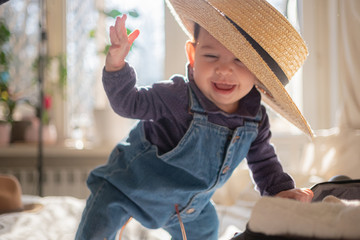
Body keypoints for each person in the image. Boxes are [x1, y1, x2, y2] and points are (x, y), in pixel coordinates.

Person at [76, 0, 314, 239]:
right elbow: (129, 103)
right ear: (192, 54)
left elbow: (264, 165)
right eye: (211, 55)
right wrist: (116, 65)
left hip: (188, 210)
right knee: (97, 228)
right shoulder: (177, 96)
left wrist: (281, 192)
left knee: (208, 227)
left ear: (259, 75)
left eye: (240, 60)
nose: (224, 69)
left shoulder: (254, 120)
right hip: (126, 189)